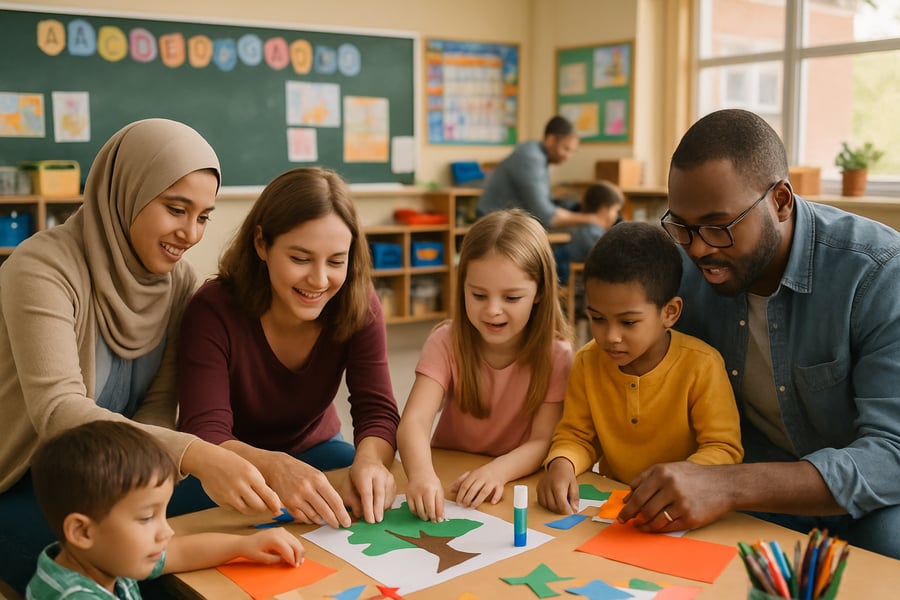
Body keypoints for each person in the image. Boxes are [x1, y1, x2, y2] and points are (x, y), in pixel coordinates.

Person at [0, 118, 283, 595]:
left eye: (204, 216)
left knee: (228, 534)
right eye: (176, 209)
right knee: (141, 567)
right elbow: (59, 412)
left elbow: (158, 405)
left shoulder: (180, 284)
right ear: (126, 191)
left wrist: (151, 493)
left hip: (121, 475)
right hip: (30, 480)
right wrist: (197, 455)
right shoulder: (41, 267)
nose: (191, 233)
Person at [618, 108, 900, 559]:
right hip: (747, 486)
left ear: (781, 201)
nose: (699, 249)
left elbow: (892, 455)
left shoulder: (878, 273)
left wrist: (729, 486)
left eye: (719, 227)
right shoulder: (684, 267)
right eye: (683, 228)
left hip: (865, 502)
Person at [177, 166, 401, 532]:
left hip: (318, 449)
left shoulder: (360, 304)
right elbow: (206, 432)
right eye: (300, 259)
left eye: (336, 261)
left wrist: (373, 462)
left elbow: (377, 410)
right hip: (230, 463)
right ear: (261, 243)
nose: (319, 279)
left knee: (364, 514)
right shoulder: (213, 309)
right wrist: (274, 467)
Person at [537, 222, 743, 519]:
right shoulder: (586, 362)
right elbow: (577, 436)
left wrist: (680, 478)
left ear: (669, 312)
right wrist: (562, 463)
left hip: (682, 510)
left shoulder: (702, 365)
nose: (611, 336)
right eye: (597, 318)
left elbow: (723, 449)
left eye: (628, 322)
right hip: (614, 510)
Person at [397, 209, 573, 523]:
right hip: (448, 481)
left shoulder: (557, 355)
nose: (492, 311)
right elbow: (414, 421)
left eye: (511, 297)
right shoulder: (445, 341)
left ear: (540, 293)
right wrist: (421, 475)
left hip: (512, 482)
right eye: (478, 295)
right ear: (462, 286)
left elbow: (542, 440)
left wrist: (496, 471)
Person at [27, 420, 304, 599]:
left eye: (162, 513)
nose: (166, 530)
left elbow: (180, 551)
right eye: (147, 517)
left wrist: (244, 545)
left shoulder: (103, 555)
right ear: (82, 531)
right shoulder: (75, 596)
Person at [477, 116, 603, 230]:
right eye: (566, 149)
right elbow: (546, 215)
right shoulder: (530, 158)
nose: (568, 157)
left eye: (572, 152)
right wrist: (592, 219)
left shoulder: (540, 156)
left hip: (509, 220)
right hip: (493, 224)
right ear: (551, 139)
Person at [565, 181, 624, 263]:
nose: (616, 216)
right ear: (604, 210)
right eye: (615, 210)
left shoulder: (584, 230)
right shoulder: (595, 235)